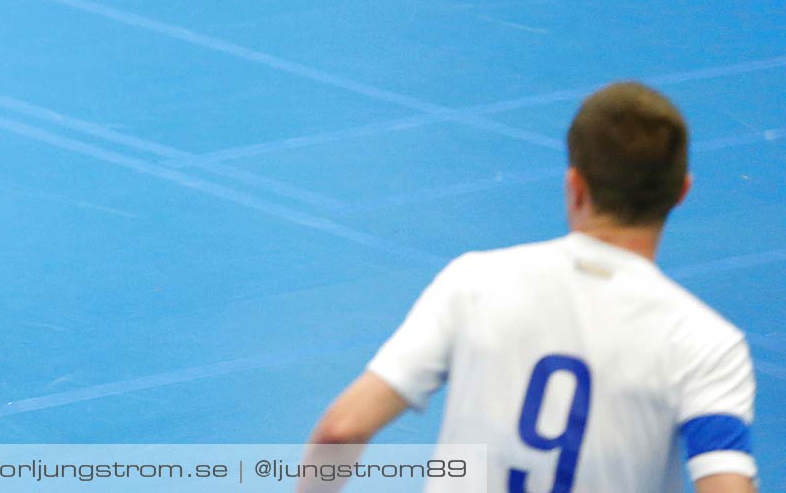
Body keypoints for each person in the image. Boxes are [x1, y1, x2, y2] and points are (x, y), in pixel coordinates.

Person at [299, 81, 757, 493]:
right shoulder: (707, 344)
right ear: (682, 192)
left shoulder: (473, 282)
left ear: (575, 186)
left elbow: (342, 429)